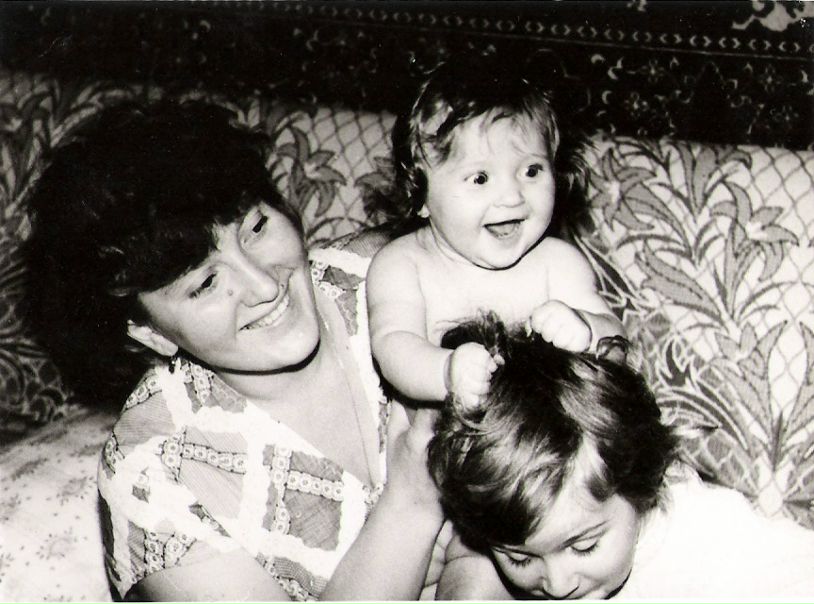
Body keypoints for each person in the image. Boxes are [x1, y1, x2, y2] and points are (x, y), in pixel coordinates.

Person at [25, 100, 444, 601]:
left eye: (257, 228)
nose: (264, 285)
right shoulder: (152, 478)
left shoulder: (398, 271)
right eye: (204, 284)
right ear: (150, 332)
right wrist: (411, 503)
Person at [426, 314, 814, 599]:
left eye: (584, 546)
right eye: (520, 559)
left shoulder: (709, 535)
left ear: (640, 484)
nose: (558, 585)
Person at [366, 53, 624, 409]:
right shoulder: (402, 265)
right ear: (419, 193)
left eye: (531, 171)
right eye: (481, 178)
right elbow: (394, 346)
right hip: (442, 437)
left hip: (547, 432)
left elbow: (618, 342)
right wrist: (446, 373)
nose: (512, 197)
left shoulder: (558, 264)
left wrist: (588, 329)